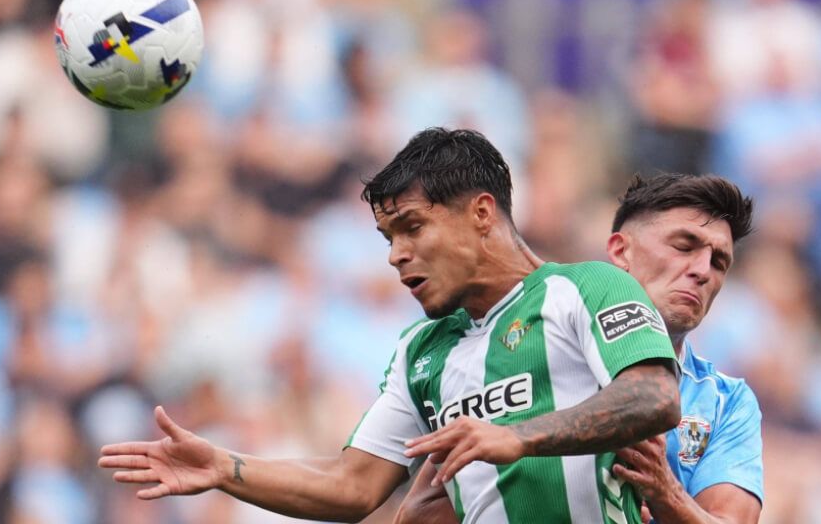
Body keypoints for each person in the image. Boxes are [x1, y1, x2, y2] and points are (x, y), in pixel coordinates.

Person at [99, 128, 681, 523]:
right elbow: (353, 484)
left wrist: (520, 435)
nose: (395, 255)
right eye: (387, 237)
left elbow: (654, 396)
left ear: (481, 212)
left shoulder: (584, 289)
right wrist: (227, 468)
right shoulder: (420, 353)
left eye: (412, 228)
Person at [396, 173, 763, 524]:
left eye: (719, 262)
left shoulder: (726, 401)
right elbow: (423, 511)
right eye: (684, 246)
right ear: (620, 251)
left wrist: (666, 493)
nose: (702, 271)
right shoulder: (525, 360)